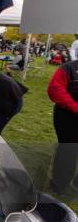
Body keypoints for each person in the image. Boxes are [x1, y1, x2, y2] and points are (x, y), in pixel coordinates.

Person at [47, 60, 77, 195]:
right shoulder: (69, 68)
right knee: (68, 149)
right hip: (67, 116)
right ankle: (59, 185)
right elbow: (54, 89)